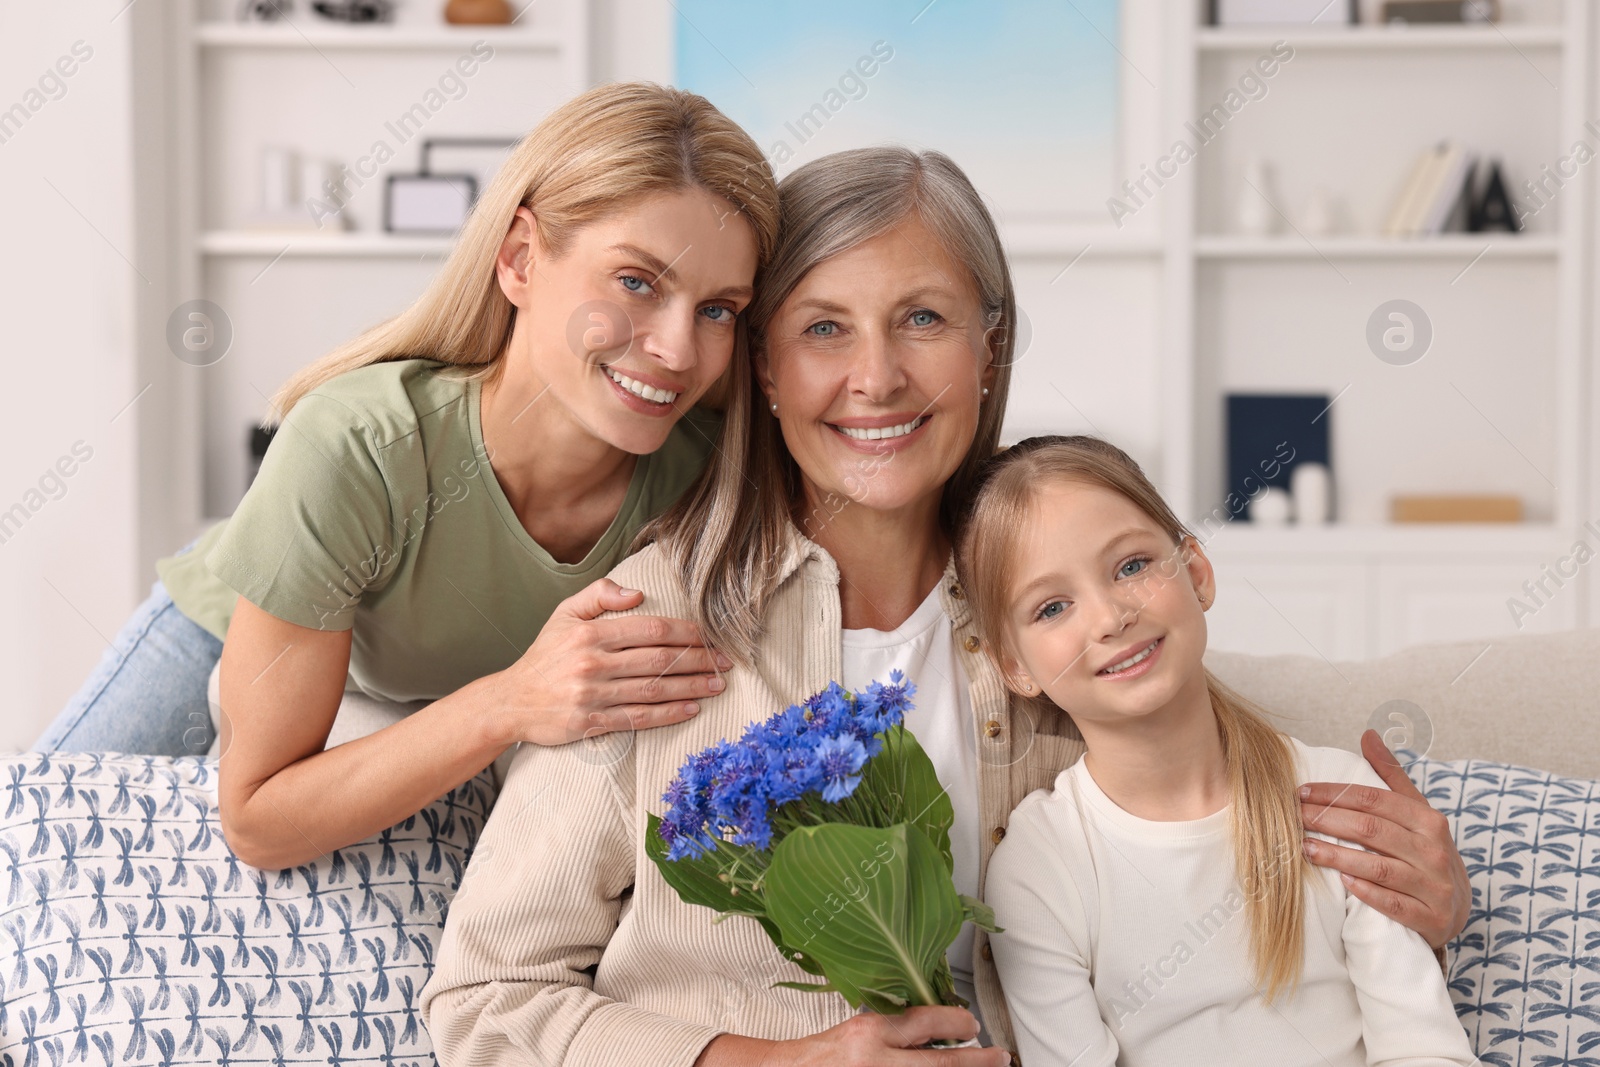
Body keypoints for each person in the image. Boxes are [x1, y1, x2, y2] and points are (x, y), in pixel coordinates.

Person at [421, 145, 1470, 1067]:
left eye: (922, 317)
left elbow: (1221, 802)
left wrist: (1421, 897)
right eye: (824, 327)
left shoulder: (1058, 595)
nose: (875, 377)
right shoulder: (652, 620)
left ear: (988, 348)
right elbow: (483, 999)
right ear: (767, 369)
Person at [34, 82, 780, 872]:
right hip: (239, 630)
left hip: (415, 705)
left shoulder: (707, 479)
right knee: (34, 857)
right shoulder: (360, 444)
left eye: (718, 310)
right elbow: (257, 819)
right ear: (520, 258)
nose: (675, 349)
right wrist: (512, 699)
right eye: (637, 282)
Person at [958, 435, 1476, 1065]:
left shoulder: (1339, 799)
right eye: (1053, 607)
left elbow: (1426, 1051)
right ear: (1014, 665)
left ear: (1196, 571)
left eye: (1130, 567)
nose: (1110, 617)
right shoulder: (1040, 867)